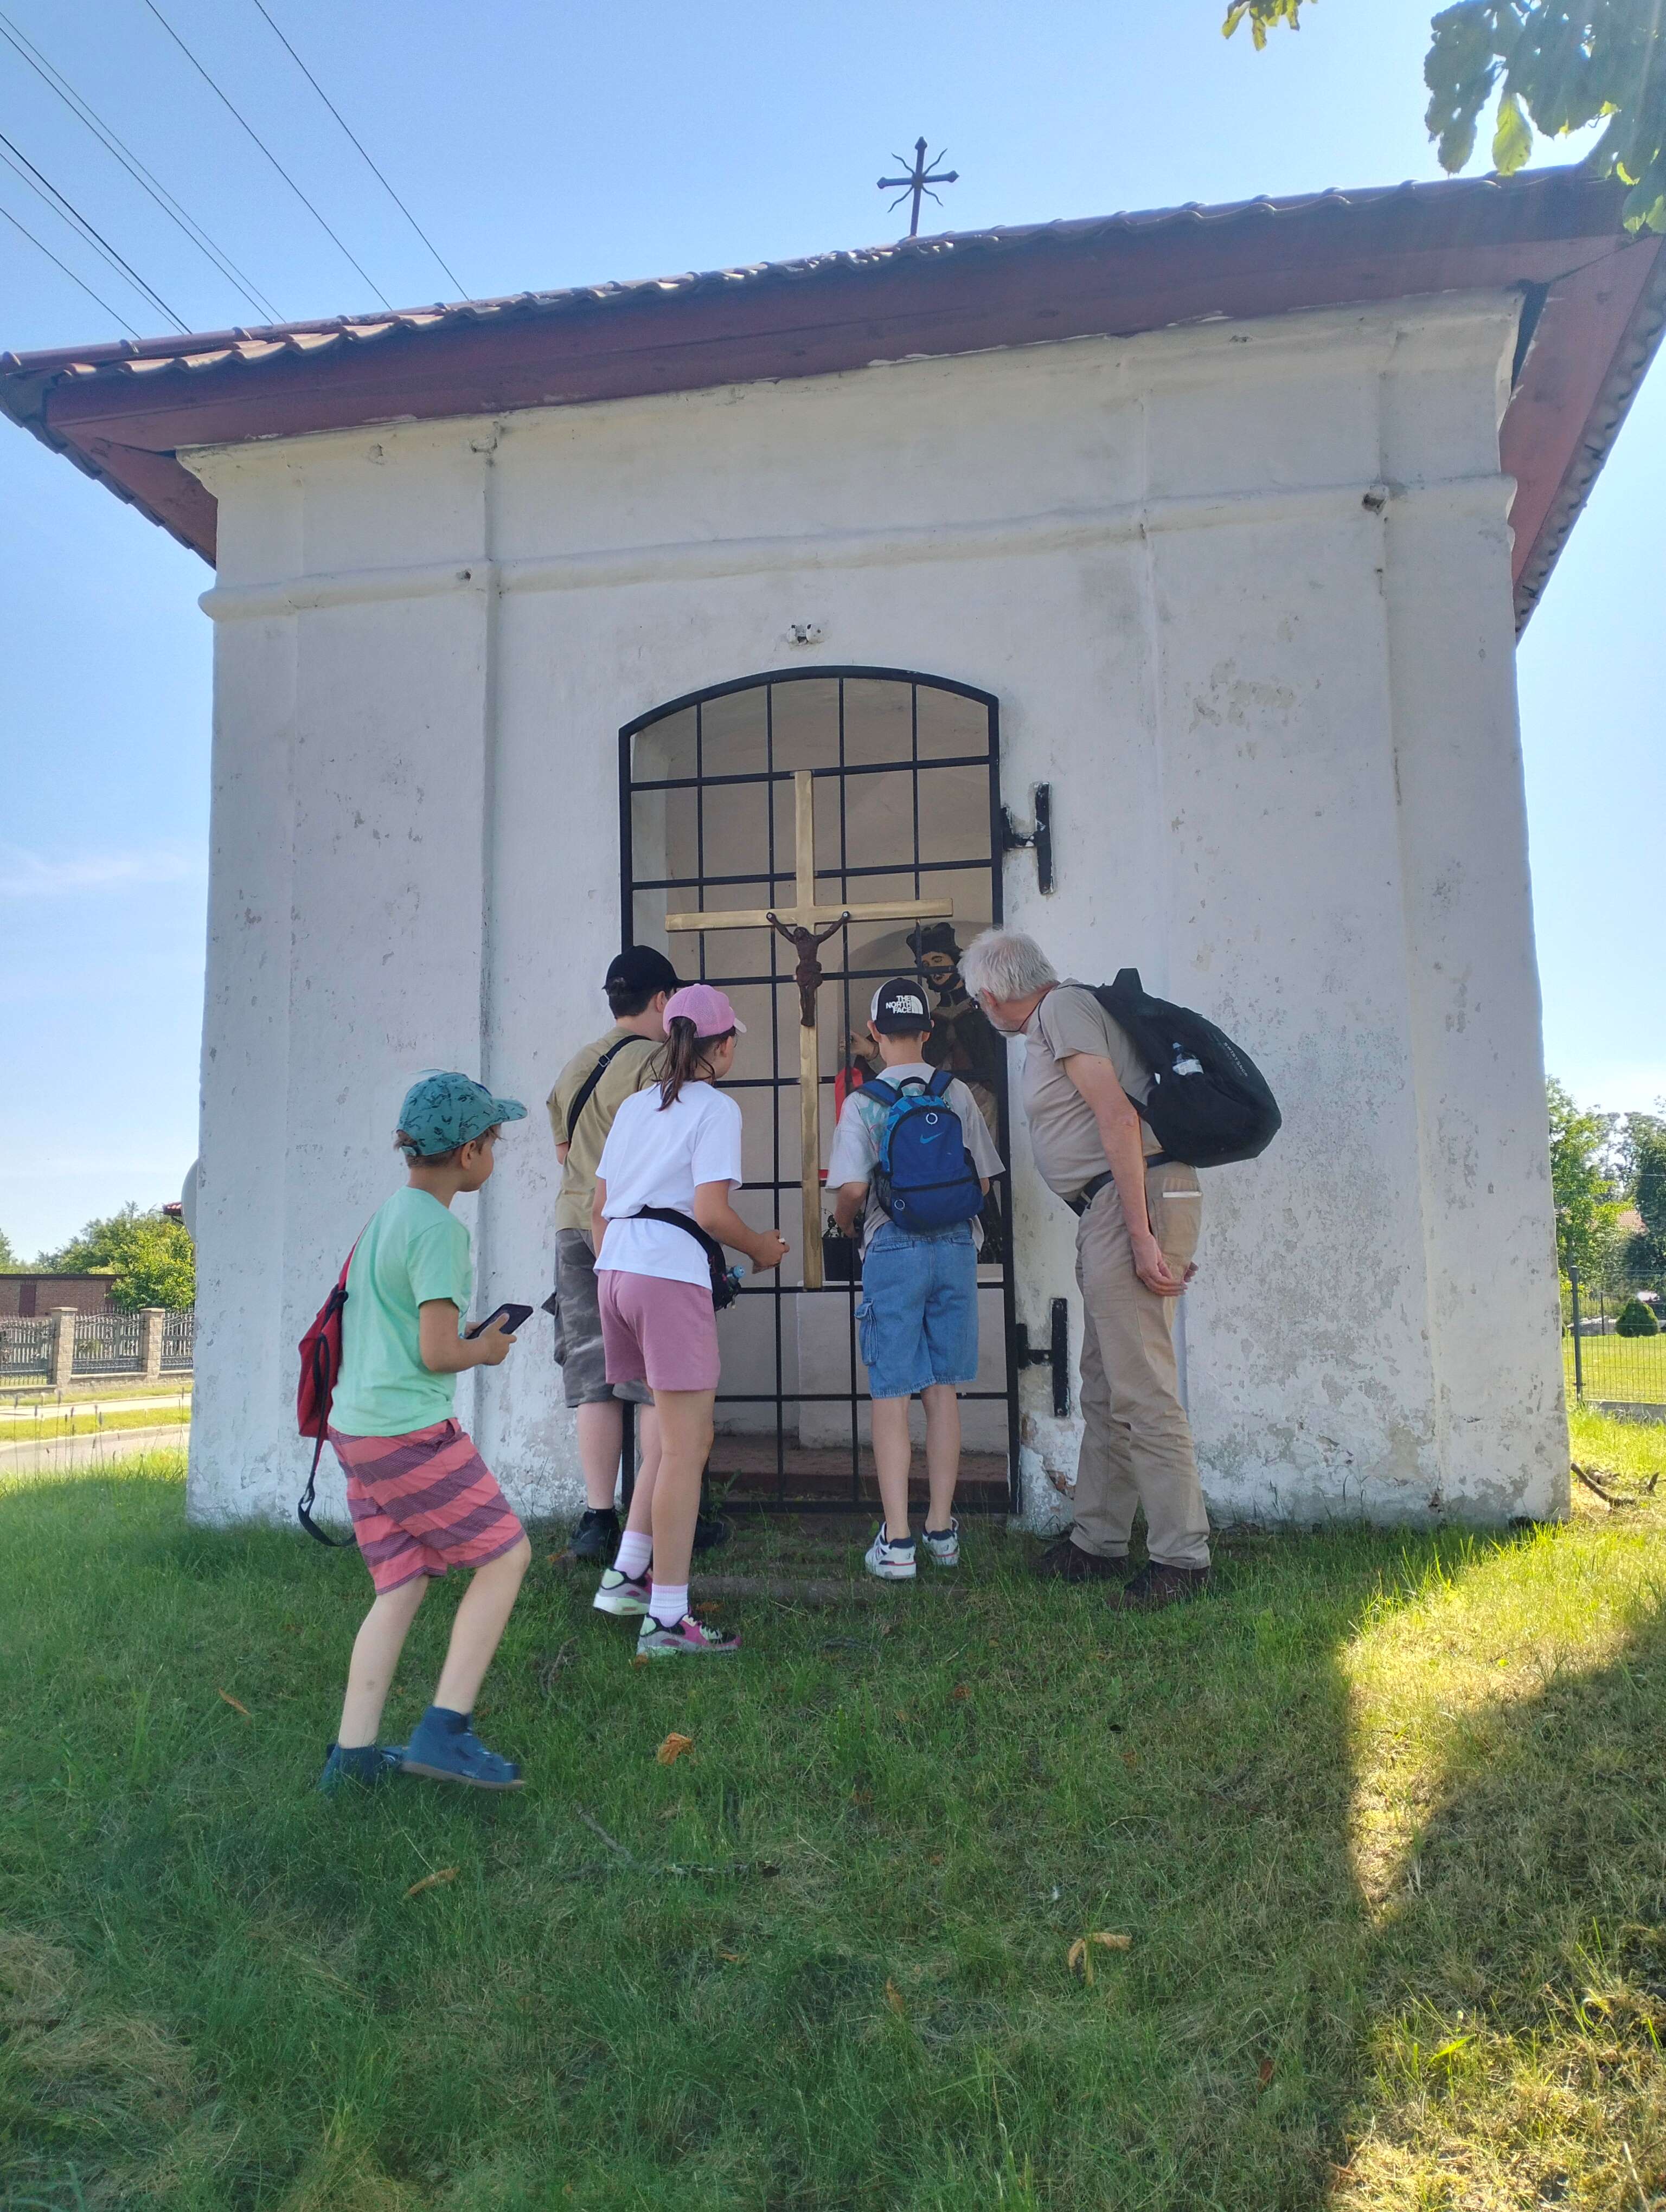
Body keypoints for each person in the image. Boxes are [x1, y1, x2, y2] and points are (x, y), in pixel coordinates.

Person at [958, 930, 1210, 1612]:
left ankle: (1182, 1559)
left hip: (1130, 1198)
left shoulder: (1063, 1011)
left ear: (989, 996)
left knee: (1142, 1390)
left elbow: (1118, 1119)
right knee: (1106, 1386)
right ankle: (1096, 1542)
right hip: (1117, 1202)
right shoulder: (1061, 1015)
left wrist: (1138, 1232)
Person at [319, 1071, 534, 1794]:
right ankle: (445, 1732)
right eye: (495, 1140)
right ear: (470, 1152)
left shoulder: (388, 1217)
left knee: (402, 1584)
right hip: (409, 1432)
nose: (496, 1153)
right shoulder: (441, 1230)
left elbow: (406, 1330)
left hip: (357, 1428)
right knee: (506, 1556)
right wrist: (487, 1348)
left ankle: (350, 1761)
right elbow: (440, 1353)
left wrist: (458, 1338)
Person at [589, 984, 789, 1656]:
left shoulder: (635, 1107)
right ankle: (670, 1620)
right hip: (665, 1275)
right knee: (686, 1446)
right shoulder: (716, 1109)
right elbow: (709, 1212)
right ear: (723, 1046)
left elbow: (600, 1204)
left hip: (614, 1270)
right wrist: (761, 1247)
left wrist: (619, 1266)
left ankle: (627, 1575)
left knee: (670, 1439)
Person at [828, 978, 1003, 1581]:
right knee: (943, 1392)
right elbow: (982, 1184)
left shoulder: (863, 1101)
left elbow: (851, 1189)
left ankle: (898, 1541)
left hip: (893, 1249)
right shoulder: (957, 1094)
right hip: (955, 1246)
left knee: (891, 1394)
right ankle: (942, 1530)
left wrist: (845, 1222)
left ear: (875, 1032)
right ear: (928, 1032)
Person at [547, 947, 676, 1561]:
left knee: (593, 1379)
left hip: (573, 1225)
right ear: (662, 1001)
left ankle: (597, 1519)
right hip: (633, 1232)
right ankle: (650, 1518)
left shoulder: (577, 1066)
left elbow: (565, 1150)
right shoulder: (660, 1063)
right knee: (653, 1381)